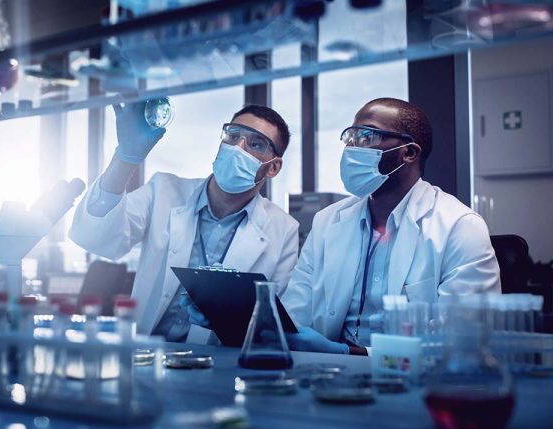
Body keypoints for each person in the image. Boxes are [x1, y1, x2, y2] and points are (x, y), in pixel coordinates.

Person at [280, 98, 501, 355]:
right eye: (350, 136)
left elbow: (462, 339)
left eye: (367, 137)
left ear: (408, 152)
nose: (351, 147)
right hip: (329, 377)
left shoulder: (460, 226)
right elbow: (294, 315)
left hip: (415, 380)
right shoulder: (327, 222)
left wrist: (348, 353)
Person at [69, 102, 300, 344]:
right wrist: (125, 158)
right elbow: (95, 237)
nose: (238, 148)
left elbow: (275, 325)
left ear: (273, 167)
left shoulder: (283, 230)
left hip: (218, 368)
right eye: (233, 136)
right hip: (145, 355)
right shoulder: (163, 191)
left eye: (255, 144)